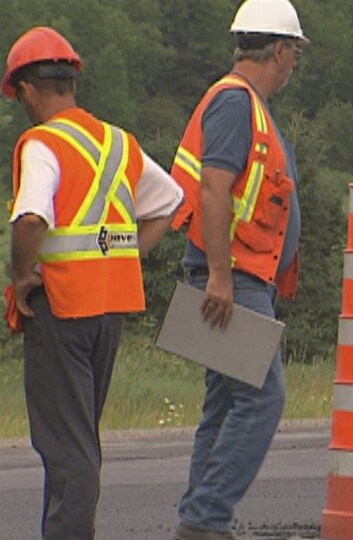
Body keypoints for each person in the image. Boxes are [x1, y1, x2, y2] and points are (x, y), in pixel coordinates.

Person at [2, 26, 183, 540]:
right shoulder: (118, 142)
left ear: (28, 90)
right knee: (77, 441)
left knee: (67, 449)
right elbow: (168, 201)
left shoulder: (41, 143)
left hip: (60, 309)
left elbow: (31, 217)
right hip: (109, 311)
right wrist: (122, 257)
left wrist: (20, 275)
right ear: (71, 84)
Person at [167, 0, 306, 538]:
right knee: (263, 398)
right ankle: (205, 520)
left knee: (225, 405)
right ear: (278, 49)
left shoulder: (246, 105)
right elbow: (214, 188)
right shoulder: (234, 102)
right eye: (294, 52)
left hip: (242, 280)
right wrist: (222, 278)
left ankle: (198, 519)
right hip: (231, 279)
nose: (293, 63)